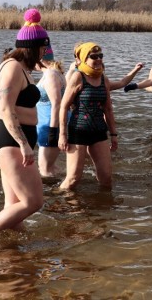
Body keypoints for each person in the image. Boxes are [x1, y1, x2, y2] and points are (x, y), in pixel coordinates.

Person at [0, 8, 48, 235]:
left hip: (15, 141)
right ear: (33, 47)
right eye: (43, 47)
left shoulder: (20, 69)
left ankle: (13, 255)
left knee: (14, 204)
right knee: (33, 202)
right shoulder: (13, 67)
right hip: (11, 142)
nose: (45, 51)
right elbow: (6, 110)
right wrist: (24, 144)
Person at [58, 42, 118, 191]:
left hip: (99, 131)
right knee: (73, 179)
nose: (98, 59)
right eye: (93, 56)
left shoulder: (103, 78)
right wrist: (62, 134)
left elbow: (108, 109)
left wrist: (114, 134)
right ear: (84, 59)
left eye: (100, 56)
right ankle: (58, 203)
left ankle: (102, 209)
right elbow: (64, 106)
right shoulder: (78, 77)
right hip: (78, 131)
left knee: (106, 178)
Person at [35, 44, 66, 178]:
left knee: (44, 170)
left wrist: (53, 133)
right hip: (46, 124)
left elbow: (56, 104)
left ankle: (51, 196)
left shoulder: (51, 75)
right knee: (50, 166)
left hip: (50, 126)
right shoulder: (52, 72)